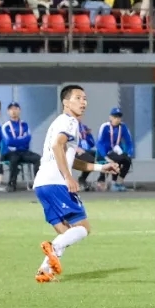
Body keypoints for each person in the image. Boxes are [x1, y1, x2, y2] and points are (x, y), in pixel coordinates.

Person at [33, 85, 119, 283]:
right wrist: (68, 177)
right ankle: (53, 248)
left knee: (66, 232)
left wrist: (100, 167)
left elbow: (70, 159)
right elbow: (57, 146)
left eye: (85, 98)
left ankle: (45, 270)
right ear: (66, 102)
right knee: (83, 228)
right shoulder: (70, 121)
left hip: (42, 184)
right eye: (78, 98)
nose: (83, 102)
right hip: (57, 182)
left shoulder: (59, 122)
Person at [2, 101, 41, 192]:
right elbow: (8, 141)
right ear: (8, 112)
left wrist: (16, 141)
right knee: (14, 159)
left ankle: (38, 183)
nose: (13, 111)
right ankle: (12, 184)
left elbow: (28, 139)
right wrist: (21, 140)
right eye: (11, 109)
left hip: (24, 151)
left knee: (38, 158)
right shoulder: (6, 126)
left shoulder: (24, 125)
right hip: (11, 152)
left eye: (16, 109)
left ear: (19, 110)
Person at [96, 107, 134, 191]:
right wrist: (105, 156)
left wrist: (129, 153)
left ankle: (118, 182)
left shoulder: (123, 127)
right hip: (106, 153)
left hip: (117, 152)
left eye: (119, 117)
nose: (117, 119)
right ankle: (104, 180)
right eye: (115, 117)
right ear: (110, 117)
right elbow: (99, 143)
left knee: (127, 160)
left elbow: (129, 142)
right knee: (118, 159)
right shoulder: (105, 127)